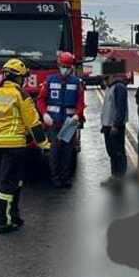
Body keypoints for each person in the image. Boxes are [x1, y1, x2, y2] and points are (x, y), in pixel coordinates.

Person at [0, 57, 49, 234]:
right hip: (15, 145)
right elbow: (33, 123)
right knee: (8, 183)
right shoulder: (21, 95)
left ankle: (15, 215)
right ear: (18, 77)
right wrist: (44, 144)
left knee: (14, 180)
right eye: (23, 77)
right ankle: (3, 222)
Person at [37, 51, 85, 188]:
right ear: (59, 65)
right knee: (54, 152)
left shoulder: (76, 82)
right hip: (53, 122)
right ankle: (55, 178)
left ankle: (65, 178)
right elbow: (41, 100)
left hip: (69, 123)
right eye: (63, 66)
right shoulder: (50, 80)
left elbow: (80, 102)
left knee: (67, 152)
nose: (65, 69)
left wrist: (77, 114)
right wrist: (44, 114)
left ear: (72, 68)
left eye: (68, 67)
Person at [100, 59, 128, 187]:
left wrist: (116, 125)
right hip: (108, 126)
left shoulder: (119, 87)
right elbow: (108, 108)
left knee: (118, 152)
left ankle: (120, 179)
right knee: (111, 152)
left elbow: (120, 109)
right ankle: (114, 176)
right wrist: (104, 125)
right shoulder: (109, 87)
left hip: (115, 127)